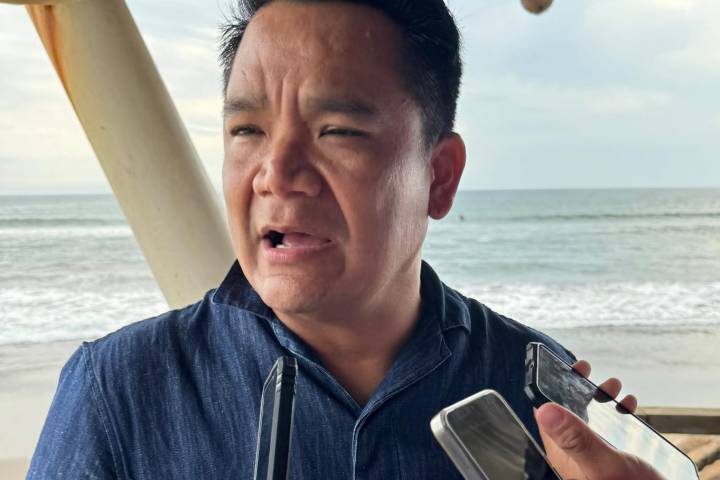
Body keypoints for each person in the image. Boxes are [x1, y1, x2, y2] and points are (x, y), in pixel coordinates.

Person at [28, 1, 665, 478]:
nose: (276, 173)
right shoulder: (116, 392)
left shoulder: (534, 389)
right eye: (247, 131)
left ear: (439, 177)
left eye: (337, 131)